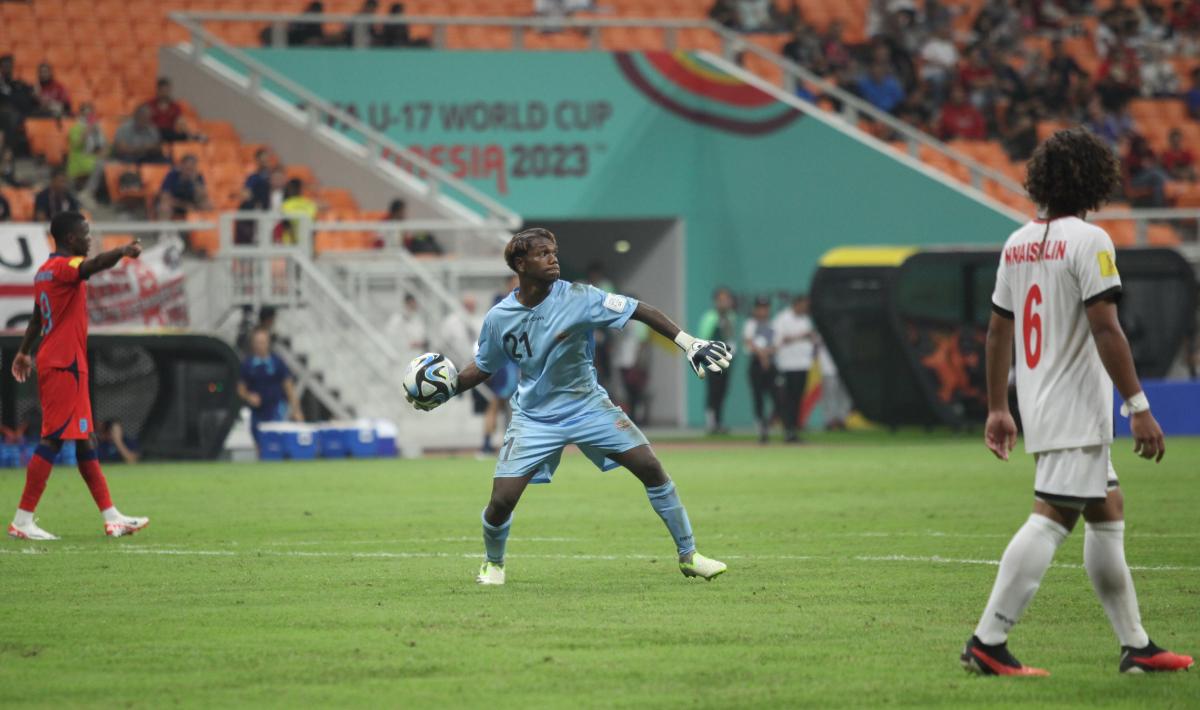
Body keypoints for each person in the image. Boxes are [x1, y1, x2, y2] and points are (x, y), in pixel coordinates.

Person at [962, 128, 1194, 676]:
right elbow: (1106, 329)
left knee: (1106, 508)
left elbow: (998, 332)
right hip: (1077, 408)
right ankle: (987, 642)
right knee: (1052, 516)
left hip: (1041, 401)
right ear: (1095, 180)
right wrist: (1139, 405)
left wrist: (999, 407)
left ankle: (1135, 645)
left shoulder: (1016, 242)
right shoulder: (1091, 241)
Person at [407, 228, 731, 585]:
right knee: (502, 501)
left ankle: (689, 555)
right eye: (543, 253)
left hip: (589, 407)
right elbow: (484, 367)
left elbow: (640, 309)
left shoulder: (580, 297)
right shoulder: (499, 318)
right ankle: (493, 564)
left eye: (554, 252)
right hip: (534, 417)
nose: (553, 258)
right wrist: (446, 390)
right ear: (520, 264)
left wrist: (688, 343)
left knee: (651, 468)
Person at [7, 212, 149, 540]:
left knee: (85, 439)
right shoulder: (64, 267)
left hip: (67, 363)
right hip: (63, 365)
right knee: (54, 437)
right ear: (71, 238)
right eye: (86, 233)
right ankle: (23, 519)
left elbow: (37, 317)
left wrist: (24, 351)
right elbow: (91, 266)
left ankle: (111, 517)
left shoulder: (44, 272)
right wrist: (123, 252)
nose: (89, 238)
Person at [237, 328, 303, 448]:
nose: (260, 345)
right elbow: (241, 389)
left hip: (276, 408)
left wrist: (296, 410)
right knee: (259, 443)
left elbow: (289, 388)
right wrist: (249, 396)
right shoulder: (248, 364)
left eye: (262, 342)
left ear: (268, 343)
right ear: (253, 344)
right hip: (257, 411)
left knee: (276, 442)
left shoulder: (277, 362)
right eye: (257, 342)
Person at [771, 294, 814, 443]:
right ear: (796, 304)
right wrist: (801, 336)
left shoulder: (806, 320)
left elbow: (810, 338)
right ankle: (788, 430)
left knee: (797, 399)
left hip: (803, 364)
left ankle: (794, 430)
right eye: (804, 305)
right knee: (787, 399)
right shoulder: (782, 319)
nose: (806, 308)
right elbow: (779, 341)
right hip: (787, 365)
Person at [698, 287, 736, 435]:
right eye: (722, 300)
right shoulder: (710, 317)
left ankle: (719, 422)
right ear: (716, 302)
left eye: (727, 300)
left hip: (726, 360)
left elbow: (730, 337)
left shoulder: (731, 316)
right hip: (713, 359)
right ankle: (711, 423)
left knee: (722, 391)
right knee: (713, 391)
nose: (725, 303)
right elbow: (703, 338)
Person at [742, 296, 776, 443]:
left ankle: (768, 424)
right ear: (756, 309)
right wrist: (762, 356)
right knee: (758, 398)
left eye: (766, 308)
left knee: (777, 397)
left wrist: (767, 355)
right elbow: (749, 342)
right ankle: (762, 430)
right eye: (761, 308)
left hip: (770, 363)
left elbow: (776, 344)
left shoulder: (772, 324)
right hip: (756, 363)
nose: (763, 311)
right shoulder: (751, 324)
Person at [66, 103, 106, 199]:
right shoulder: (75, 128)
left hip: (95, 156)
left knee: (108, 164)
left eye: (90, 114)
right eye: (85, 114)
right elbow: (76, 145)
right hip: (80, 156)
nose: (88, 117)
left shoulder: (97, 128)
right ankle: (88, 192)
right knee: (98, 165)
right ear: (80, 114)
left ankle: (98, 195)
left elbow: (103, 145)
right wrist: (87, 131)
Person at [144, 78, 197, 144]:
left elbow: (180, 122)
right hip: (152, 133)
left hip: (169, 134)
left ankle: (195, 137)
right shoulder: (149, 104)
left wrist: (184, 130)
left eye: (167, 91)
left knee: (180, 135)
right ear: (158, 90)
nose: (165, 93)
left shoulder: (175, 107)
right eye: (162, 91)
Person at [157, 154, 210, 218]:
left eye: (192, 168)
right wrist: (184, 206)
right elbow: (165, 198)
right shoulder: (172, 176)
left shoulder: (197, 177)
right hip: (175, 205)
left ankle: (206, 227)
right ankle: (164, 227)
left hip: (191, 204)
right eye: (187, 168)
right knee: (164, 207)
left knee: (207, 205)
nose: (189, 171)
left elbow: (203, 197)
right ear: (181, 166)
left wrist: (195, 182)